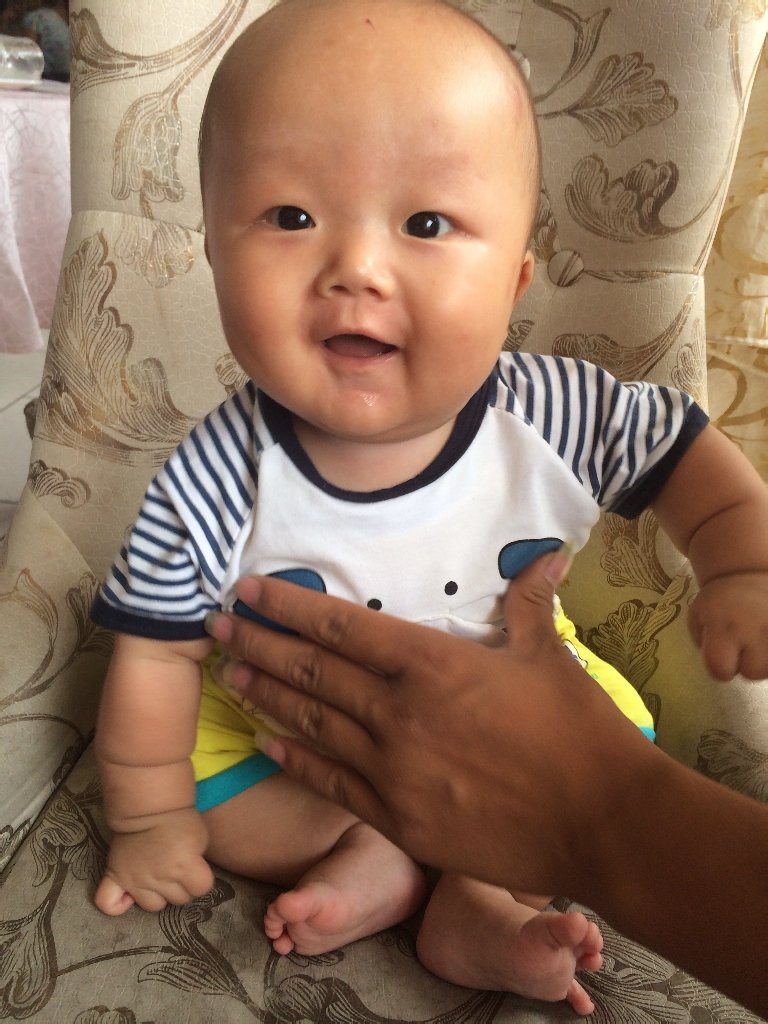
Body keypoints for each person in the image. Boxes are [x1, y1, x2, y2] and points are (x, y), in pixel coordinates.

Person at [89, 0, 768, 1015]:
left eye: (427, 224)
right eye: (291, 217)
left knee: (618, 744)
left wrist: (742, 562)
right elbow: (155, 652)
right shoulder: (217, 471)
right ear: (215, 255)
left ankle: (470, 907)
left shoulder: (550, 413)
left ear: (515, 279)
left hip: (514, 693)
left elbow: (682, 454)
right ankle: (402, 862)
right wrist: (149, 819)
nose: (357, 270)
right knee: (207, 790)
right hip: (291, 725)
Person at [203, 559, 768, 1021]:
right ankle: (370, 846)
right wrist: (154, 806)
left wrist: (734, 550)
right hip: (275, 711)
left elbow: (671, 459)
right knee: (194, 769)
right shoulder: (220, 478)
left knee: (604, 744)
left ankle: (480, 901)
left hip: (509, 692)